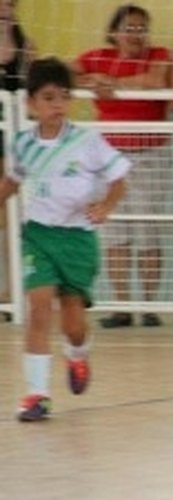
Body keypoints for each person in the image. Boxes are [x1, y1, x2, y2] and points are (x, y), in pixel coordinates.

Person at [0, 58, 131, 421]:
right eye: (48, 97)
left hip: (77, 242)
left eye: (63, 96)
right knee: (39, 310)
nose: (57, 104)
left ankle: (78, 354)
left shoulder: (87, 141)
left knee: (72, 326)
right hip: (39, 237)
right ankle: (37, 395)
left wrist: (105, 205)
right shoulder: (22, 145)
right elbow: (11, 182)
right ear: (31, 104)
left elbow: (120, 177)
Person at [73, 3, 172, 329]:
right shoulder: (96, 56)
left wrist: (111, 82)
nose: (135, 35)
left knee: (147, 229)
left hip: (149, 155)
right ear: (114, 32)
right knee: (114, 233)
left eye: (141, 28)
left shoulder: (158, 54)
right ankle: (121, 305)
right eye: (129, 28)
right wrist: (92, 79)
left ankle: (148, 305)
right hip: (108, 158)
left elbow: (156, 80)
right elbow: (68, 72)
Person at [0, 0, 35, 317]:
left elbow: (32, 91)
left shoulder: (26, 46)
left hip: (13, 143)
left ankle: (13, 291)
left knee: (14, 220)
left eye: (9, 3)